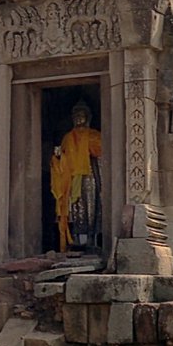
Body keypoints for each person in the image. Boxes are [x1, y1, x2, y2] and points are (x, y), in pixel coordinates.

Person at [50, 100, 101, 251]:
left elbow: (101, 153)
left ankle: (93, 240)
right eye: (76, 116)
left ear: (88, 117)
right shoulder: (67, 137)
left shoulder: (94, 135)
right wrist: (58, 157)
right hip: (72, 178)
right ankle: (79, 240)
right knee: (76, 208)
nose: (79, 118)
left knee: (91, 207)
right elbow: (62, 159)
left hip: (89, 175)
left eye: (82, 115)